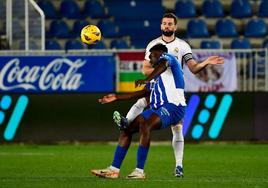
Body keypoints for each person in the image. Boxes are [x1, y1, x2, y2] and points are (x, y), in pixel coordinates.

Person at [113, 13, 224, 177]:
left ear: (175, 27)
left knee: (177, 127)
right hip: (157, 85)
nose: (167, 26)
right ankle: (126, 122)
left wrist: (205, 62)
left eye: (170, 24)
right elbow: (145, 69)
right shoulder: (153, 44)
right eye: (164, 23)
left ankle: (178, 166)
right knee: (143, 101)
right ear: (161, 26)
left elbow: (193, 68)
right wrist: (162, 71)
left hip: (175, 90)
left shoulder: (183, 46)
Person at [91, 44, 186, 179]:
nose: (150, 60)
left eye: (151, 56)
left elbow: (163, 64)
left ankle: (139, 171)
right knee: (127, 130)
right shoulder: (155, 78)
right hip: (158, 109)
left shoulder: (169, 59)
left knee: (145, 125)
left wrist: (147, 78)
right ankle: (113, 170)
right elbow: (140, 93)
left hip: (174, 107)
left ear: (159, 53)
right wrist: (116, 97)